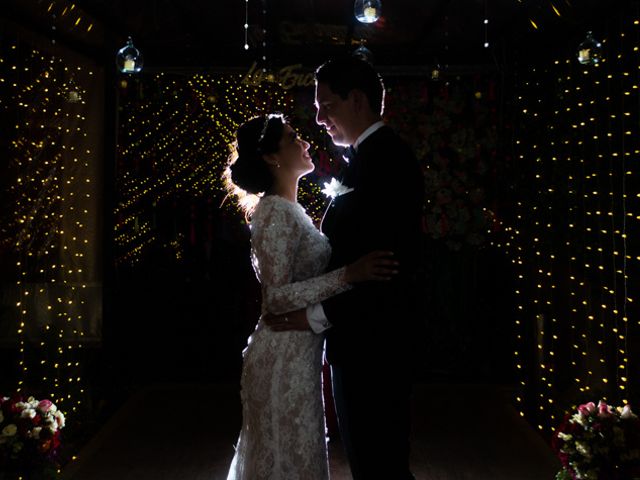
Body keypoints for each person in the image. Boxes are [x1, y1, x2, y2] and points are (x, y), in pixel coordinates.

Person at [264, 56, 424, 479]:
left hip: (375, 347)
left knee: (380, 466)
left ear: (357, 99)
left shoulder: (386, 161)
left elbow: (383, 273)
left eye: (326, 105)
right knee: (372, 463)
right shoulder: (367, 157)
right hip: (362, 345)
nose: (319, 118)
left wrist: (311, 317)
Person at [224, 113, 398, 480]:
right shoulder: (273, 213)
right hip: (281, 353)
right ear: (273, 157)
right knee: (286, 460)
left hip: (299, 349)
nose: (304, 143)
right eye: (292, 139)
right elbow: (276, 298)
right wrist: (348, 275)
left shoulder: (291, 211)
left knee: (300, 456)